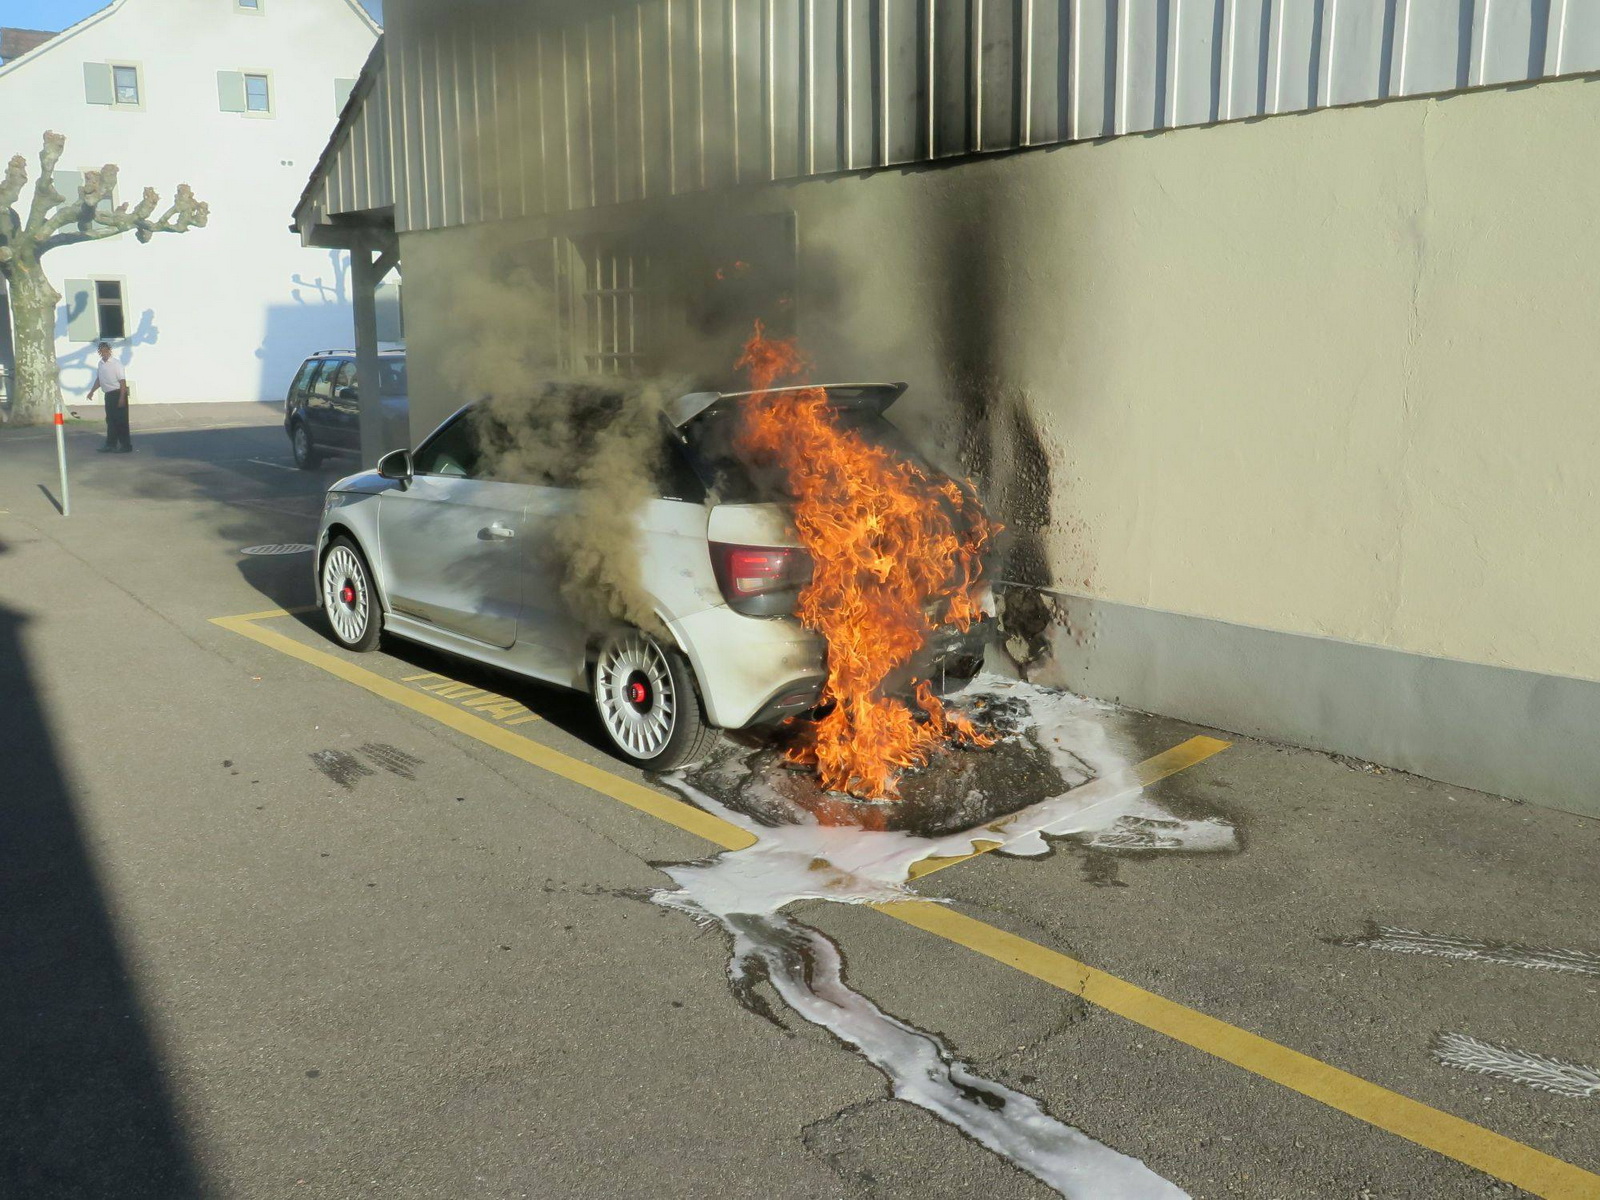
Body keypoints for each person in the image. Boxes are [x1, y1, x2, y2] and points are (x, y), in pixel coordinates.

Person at [86, 342, 132, 453]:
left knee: (121, 421)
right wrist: (91, 391)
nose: (104, 353)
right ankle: (111, 444)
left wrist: (122, 398)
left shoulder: (116, 364)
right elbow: (99, 380)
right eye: (101, 351)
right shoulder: (100, 364)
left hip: (118, 394)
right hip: (109, 395)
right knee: (110, 421)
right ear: (99, 352)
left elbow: (122, 382)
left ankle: (126, 446)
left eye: (106, 350)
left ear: (110, 351)